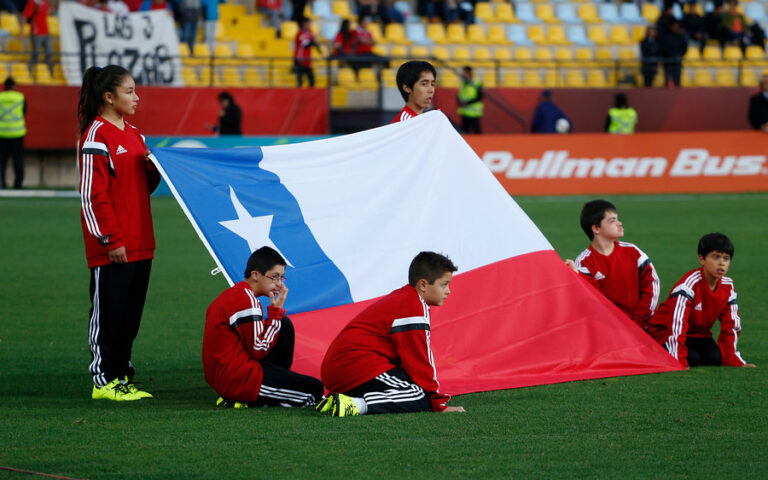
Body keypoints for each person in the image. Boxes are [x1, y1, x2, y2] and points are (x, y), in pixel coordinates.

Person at [77, 65, 160, 401]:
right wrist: (110, 238)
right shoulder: (96, 135)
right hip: (114, 245)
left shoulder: (136, 135)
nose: (136, 97)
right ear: (108, 97)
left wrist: (153, 170)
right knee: (109, 315)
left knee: (129, 317)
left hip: (141, 243)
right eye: (129, 91)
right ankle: (104, 381)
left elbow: (142, 188)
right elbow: (92, 195)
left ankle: (122, 376)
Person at [317, 251, 465, 416]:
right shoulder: (414, 305)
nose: (448, 291)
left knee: (414, 388)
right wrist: (438, 403)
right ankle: (357, 405)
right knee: (420, 397)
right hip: (355, 366)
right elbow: (420, 360)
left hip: (343, 368)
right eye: (444, 284)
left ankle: (340, 400)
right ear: (423, 285)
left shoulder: (405, 298)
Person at [202, 247, 324, 408]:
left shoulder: (236, 295)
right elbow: (258, 349)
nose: (279, 284)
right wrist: (275, 313)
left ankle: (265, 389)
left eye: (281, 278)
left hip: (227, 375)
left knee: (284, 326)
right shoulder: (247, 301)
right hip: (239, 380)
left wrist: (277, 318)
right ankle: (252, 398)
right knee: (314, 390)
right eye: (274, 277)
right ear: (255, 275)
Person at [647, 233, 755, 368]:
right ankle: (661, 349)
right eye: (715, 257)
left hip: (699, 335)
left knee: (715, 358)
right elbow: (676, 324)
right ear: (701, 259)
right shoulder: (688, 285)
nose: (721, 263)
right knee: (692, 358)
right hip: (664, 332)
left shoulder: (728, 286)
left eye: (726, 259)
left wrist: (733, 359)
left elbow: (731, 324)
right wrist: (679, 360)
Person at [565, 200, 660, 330]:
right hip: (610, 331)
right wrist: (577, 275)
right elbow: (593, 301)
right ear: (596, 228)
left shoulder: (633, 252)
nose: (619, 223)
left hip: (642, 327)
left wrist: (639, 322)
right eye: (612, 221)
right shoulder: (583, 263)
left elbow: (652, 284)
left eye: (617, 219)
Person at [0, 77, 26, 189]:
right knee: (18, 160)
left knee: (1, 161)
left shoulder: (0, 97)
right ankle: (18, 184)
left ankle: (2, 184)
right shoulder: (20, 97)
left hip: (2, 133)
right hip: (17, 133)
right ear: (14, 86)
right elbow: (24, 111)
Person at [22, 0, 54, 76]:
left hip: (46, 32)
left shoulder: (46, 1)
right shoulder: (32, 2)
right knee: (35, 54)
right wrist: (22, 31)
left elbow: (49, 12)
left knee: (49, 53)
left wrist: (57, 5)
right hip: (36, 32)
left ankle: (48, 72)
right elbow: (25, 16)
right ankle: (31, 72)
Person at [293, 18, 322, 87]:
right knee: (300, 81)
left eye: (309, 24)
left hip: (307, 61)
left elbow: (312, 42)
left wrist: (318, 48)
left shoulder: (309, 32)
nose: (309, 26)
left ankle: (309, 96)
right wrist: (313, 42)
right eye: (308, 24)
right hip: (300, 60)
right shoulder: (300, 33)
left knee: (312, 81)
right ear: (304, 24)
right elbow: (305, 44)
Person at [659, 20, 687, 87]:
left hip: (677, 62)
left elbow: (684, 47)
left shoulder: (681, 36)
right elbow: (664, 48)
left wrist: (680, 55)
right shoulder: (666, 36)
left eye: (677, 26)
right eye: (674, 26)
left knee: (677, 79)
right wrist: (671, 55)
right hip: (668, 61)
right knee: (668, 80)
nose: (675, 27)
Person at [457, 66, 483, 134]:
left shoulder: (476, 83)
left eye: (464, 72)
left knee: (477, 132)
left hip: (474, 112)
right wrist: (459, 101)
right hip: (464, 111)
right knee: (465, 133)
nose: (463, 74)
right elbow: (460, 95)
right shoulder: (463, 83)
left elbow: (480, 97)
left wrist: (467, 103)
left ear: (469, 73)